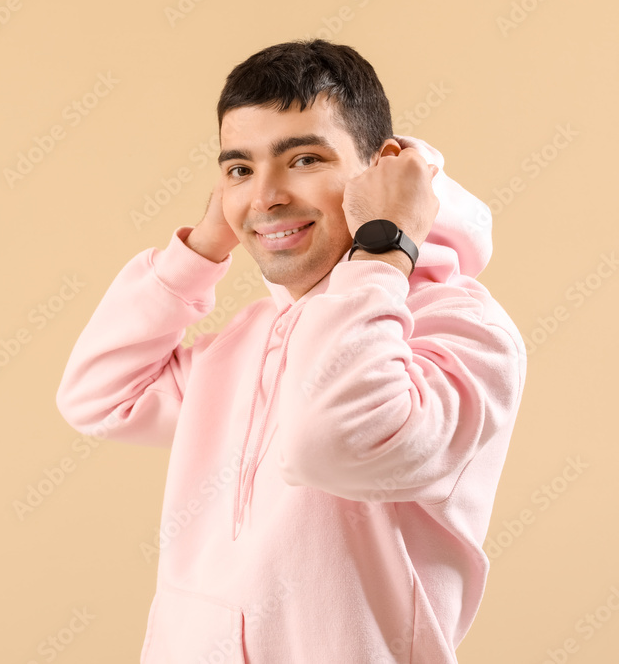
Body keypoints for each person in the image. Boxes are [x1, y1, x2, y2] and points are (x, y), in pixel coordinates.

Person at [55, 38, 526, 663]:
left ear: (381, 168)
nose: (265, 195)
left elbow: (340, 442)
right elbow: (98, 397)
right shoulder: (250, 335)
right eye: (240, 169)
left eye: (303, 158)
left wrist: (385, 244)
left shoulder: (463, 328)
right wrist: (201, 247)